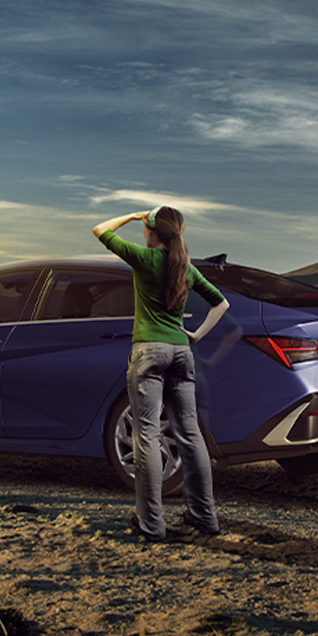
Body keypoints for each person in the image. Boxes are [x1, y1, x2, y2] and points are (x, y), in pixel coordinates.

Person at [93, 206, 231, 543]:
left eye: (146, 226)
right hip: (182, 355)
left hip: (149, 353)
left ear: (153, 231)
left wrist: (130, 215)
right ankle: (204, 516)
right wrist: (196, 335)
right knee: (191, 435)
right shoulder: (185, 268)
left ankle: (151, 522)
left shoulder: (144, 258)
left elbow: (100, 229)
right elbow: (221, 304)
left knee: (147, 437)